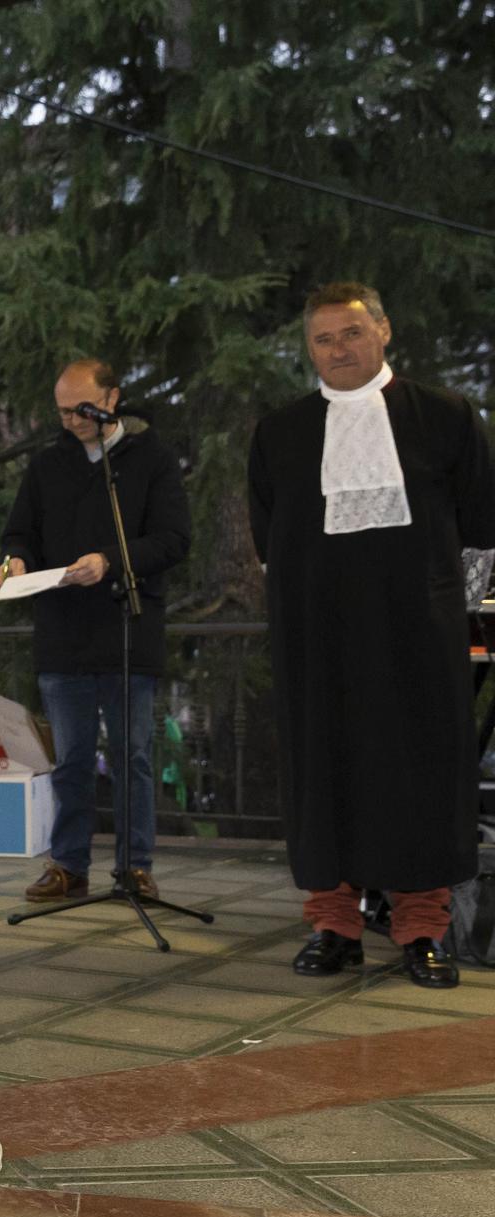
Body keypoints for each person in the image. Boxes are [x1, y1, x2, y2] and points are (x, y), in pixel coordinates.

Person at [248, 282, 495, 990]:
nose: (338, 349)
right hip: (317, 646)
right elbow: (273, 545)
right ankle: (334, 925)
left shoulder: (445, 417)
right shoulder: (279, 433)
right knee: (325, 775)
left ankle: (423, 931)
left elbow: (483, 530)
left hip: (419, 640)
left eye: (352, 333)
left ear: (384, 331)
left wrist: (444, 613)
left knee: (422, 775)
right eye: (323, 339)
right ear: (309, 349)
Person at [0, 359, 191, 903]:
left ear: (112, 398)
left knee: (132, 756)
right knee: (72, 759)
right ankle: (68, 865)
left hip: (128, 628)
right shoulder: (47, 465)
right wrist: (14, 560)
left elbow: (175, 539)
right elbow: (20, 533)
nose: (70, 421)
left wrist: (109, 561)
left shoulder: (149, 458)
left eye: (81, 409)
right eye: (61, 411)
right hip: (63, 631)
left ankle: (135, 866)